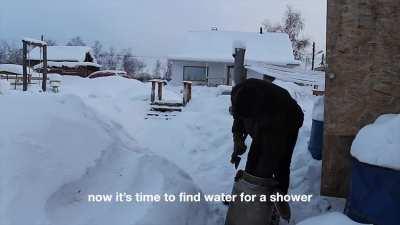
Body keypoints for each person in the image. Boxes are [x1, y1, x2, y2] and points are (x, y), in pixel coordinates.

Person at [226, 78, 304, 224]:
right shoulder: (238, 92)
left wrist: (259, 182)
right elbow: (238, 116)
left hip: (289, 122)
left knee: (280, 163)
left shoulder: (274, 108)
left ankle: (276, 203)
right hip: (265, 123)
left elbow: (270, 155)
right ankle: (247, 198)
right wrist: (238, 138)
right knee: (253, 157)